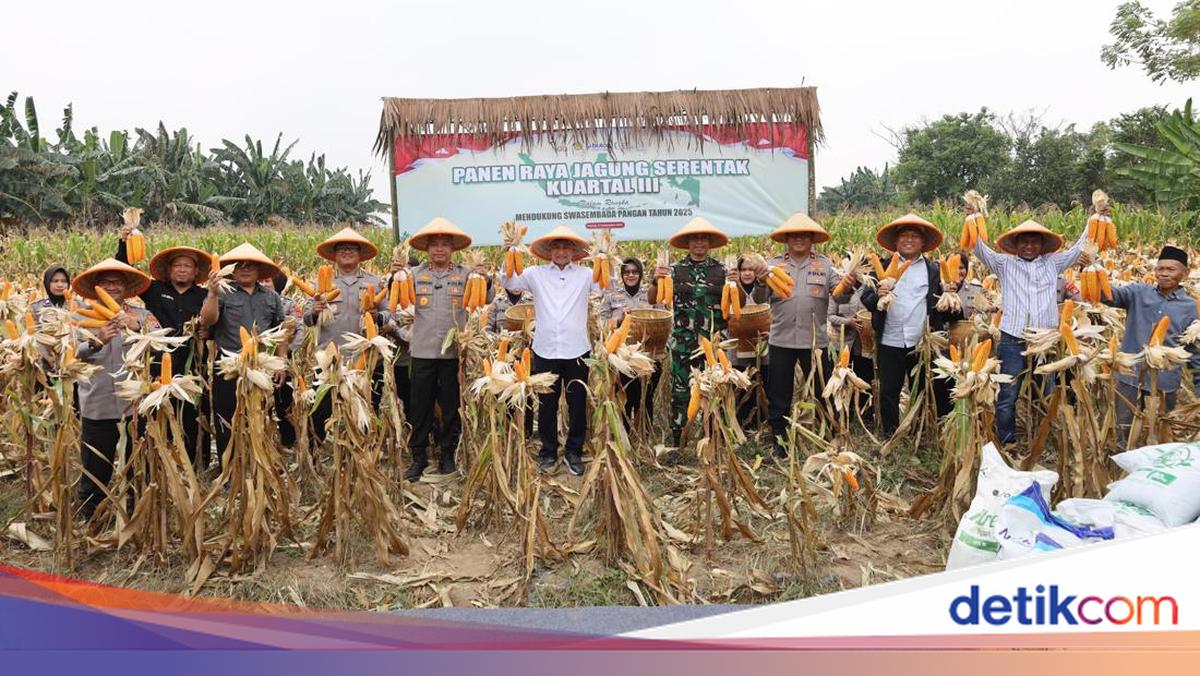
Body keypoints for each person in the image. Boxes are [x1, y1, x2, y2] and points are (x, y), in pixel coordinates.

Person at [973, 219, 1090, 446]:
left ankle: (1043, 437)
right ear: (1015, 244)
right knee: (1008, 393)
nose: (1029, 246)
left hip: (1045, 339)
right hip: (1012, 338)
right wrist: (973, 217)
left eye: (1034, 241)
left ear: (1042, 244)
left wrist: (1094, 217)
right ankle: (1007, 441)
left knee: (1045, 390)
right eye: (1024, 241)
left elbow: (1079, 248)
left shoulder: (1053, 263)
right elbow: (979, 249)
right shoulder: (1003, 264)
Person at [753, 213, 854, 457]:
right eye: (794, 235)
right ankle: (780, 441)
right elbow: (759, 300)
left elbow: (839, 297)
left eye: (804, 235)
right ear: (786, 239)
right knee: (779, 394)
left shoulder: (825, 264)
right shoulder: (773, 265)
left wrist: (848, 286)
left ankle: (829, 435)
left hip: (815, 341)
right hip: (781, 339)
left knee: (823, 390)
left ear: (812, 239)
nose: (799, 239)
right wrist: (760, 281)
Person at [503, 225, 598, 476]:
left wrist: (604, 259)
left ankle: (574, 451)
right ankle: (548, 452)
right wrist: (511, 253)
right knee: (547, 404)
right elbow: (511, 283)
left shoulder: (585, 275)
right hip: (545, 348)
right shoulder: (535, 273)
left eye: (566, 247)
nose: (561, 251)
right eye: (557, 247)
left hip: (577, 349)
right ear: (549, 251)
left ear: (574, 251)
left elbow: (605, 288)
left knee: (577, 403)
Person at [115, 229, 212, 463]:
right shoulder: (155, 290)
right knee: (156, 410)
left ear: (196, 271)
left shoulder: (204, 295)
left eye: (187, 266)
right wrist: (124, 243)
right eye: (177, 265)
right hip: (158, 361)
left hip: (192, 363)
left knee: (193, 411)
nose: (181, 269)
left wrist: (208, 331)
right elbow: (125, 273)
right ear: (169, 271)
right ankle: (156, 458)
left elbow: (215, 319)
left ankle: (196, 461)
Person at [70, 259, 158, 517]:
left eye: (116, 282)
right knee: (96, 463)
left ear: (126, 286)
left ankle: (137, 511)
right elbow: (67, 356)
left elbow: (162, 338)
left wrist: (137, 328)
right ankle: (90, 514)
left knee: (137, 462)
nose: (111, 287)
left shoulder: (142, 315)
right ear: (96, 287)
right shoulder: (78, 317)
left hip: (134, 405)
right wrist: (96, 342)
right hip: (97, 402)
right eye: (105, 282)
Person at [860, 214, 953, 437]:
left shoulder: (933, 270)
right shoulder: (880, 266)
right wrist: (878, 294)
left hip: (921, 341)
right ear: (896, 242)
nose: (909, 240)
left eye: (914, 236)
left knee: (921, 387)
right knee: (889, 390)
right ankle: (890, 433)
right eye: (904, 236)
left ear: (923, 243)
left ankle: (921, 430)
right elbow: (867, 299)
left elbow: (942, 303)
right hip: (889, 338)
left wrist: (950, 294)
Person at [404, 217, 482, 480]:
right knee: (420, 407)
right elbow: (398, 308)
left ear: (453, 249)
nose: (439, 249)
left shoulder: (465, 275)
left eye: (445, 245)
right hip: (422, 352)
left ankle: (448, 453)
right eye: (434, 244)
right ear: (426, 248)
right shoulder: (413, 276)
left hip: (452, 354)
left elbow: (486, 300)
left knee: (451, 406)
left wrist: (484, 278)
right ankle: (419, 456)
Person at [199, 243, 286, 469]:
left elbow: (281, 332)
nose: (245, 269)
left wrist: (281, 363)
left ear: (259, 270)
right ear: (231, 270)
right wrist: (212, 293)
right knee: (226, 418)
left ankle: (259, 464)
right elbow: (207, 321)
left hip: (260, 366)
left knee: (260, 415)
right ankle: (228, 468)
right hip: (228, 365)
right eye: (239, 266)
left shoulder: (271, 297)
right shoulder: (222, 294)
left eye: (250, 266)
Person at [1104, 245, 1200, 447]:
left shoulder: (1191, 307)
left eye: (1170, 269)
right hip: (1129, 375)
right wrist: (1091, 271)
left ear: (1185, 273)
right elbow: (1108, 296)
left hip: (1164, 381)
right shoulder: (1138, 293)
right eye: (1160, 269)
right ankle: (1119, 464)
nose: (1163, 274)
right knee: (1122, 428)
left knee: (1161, 431)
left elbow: (1193, 349)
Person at [648, 218, 729, 446]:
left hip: (713, 344)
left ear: (710, 243)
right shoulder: (674, 271)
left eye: (703, 239)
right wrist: (656, 279)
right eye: (695, 239)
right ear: (688, 243)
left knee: (714, 388)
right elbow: (653, 298)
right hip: (683, 341)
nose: (699, 243)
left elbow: (736, 303)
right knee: (681, 391)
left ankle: (713, 436)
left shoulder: (722, 271)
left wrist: (735, 284)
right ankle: (679, 438)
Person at [305, 227, 389, 441]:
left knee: (366, 411)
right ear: (334, 254)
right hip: (329, 359)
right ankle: (317, 457)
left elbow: (390, 316)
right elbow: (305, 319)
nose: (347, 252)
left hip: (366, 359)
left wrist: (377, 316)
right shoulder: (320, 283)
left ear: (360, 254)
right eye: (341, 248)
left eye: (352, 248)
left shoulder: (374, 283)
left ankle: (365, 455)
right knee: (320, 412)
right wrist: (313, 312)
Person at [600, 257, 663, 428]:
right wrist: (619, 318)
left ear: (641, 274)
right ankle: (625, 434)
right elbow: (602, 325)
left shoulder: (651, 294)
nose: (631, 275)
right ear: (622, 275)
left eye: (635, 272)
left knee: (645, 397)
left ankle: (645, 434)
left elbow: (663, 318)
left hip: (648, 354)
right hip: (622, 357)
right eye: (627, 272)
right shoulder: (612, 295)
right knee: (626, 397)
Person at [263, 271, 301, 449]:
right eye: (260, 280)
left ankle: (288, 440)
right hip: (260, 360)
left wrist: (286, 352)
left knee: (283, 399)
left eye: (267, 280)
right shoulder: (253, 301)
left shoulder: (289, 304)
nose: (263, 284)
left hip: (282, 359)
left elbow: (299, 331)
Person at [729, 257, 768, 429]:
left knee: (761, 383)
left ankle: (760, 421)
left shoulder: (765, 288)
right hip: (738, 346)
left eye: (751, 270)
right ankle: (741, 423)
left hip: (762, 345)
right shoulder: (729, 289)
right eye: (743, 269)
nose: (746, 273)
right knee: (741, 385)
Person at [828, 281, 874, 425]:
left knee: (864, 378)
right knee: (842, 378)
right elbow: (830, 316)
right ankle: (840, 413)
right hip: (843, 344)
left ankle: (865, 414)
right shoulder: (838, 291)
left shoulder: (869, 289)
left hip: (864, 345)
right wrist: (849, 322)